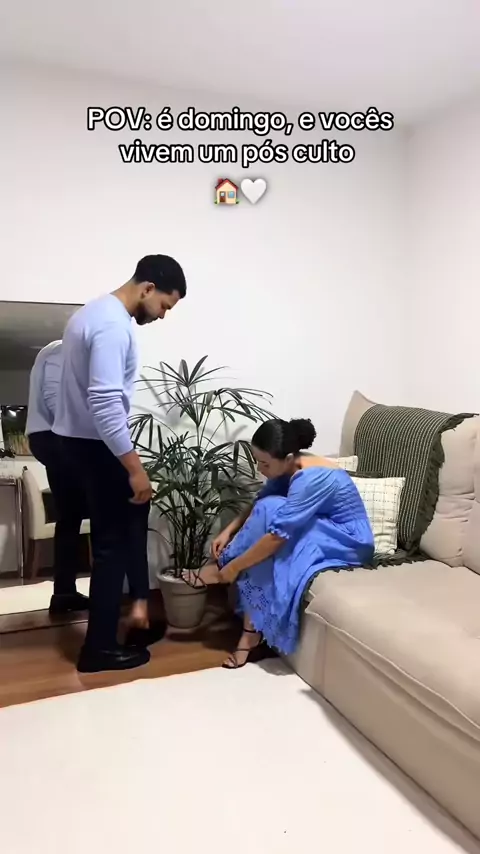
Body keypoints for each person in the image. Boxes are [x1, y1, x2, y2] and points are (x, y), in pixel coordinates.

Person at [53, 254, 187, 673]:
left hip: (75, 443)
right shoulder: (113, 325)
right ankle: (99, 650)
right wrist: (134, 468)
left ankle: (128, 618)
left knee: (109, 541)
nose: (162, 315)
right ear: (147, 288)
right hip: (97, 448)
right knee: (110, 549)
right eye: (164, 305)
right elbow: (106, 402)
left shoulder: (89, 313)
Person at [182, 417, 374, 668]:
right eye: (257, 461)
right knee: (268, 508)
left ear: (287, 457)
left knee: (271, 519)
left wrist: (234, 567)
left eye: (264, 463)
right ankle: (250, 633)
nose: (260, 469)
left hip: (348, 540)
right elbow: (261, 500)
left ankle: (221, 572)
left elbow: (276, 536)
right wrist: (228, 531)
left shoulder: (311, 479)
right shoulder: (290, 464)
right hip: (320, 526)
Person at [26, 340, 89, 613]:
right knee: (101, 509)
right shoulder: (62, 349)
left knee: (69, 518)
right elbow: (55, 400)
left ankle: (64, 594)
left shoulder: (57, 351)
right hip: (56, 438)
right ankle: (104, 596)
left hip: (52, 438)